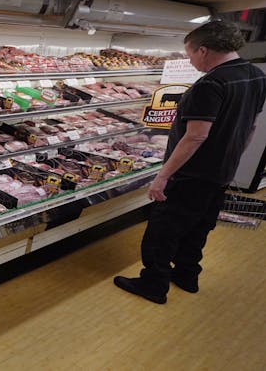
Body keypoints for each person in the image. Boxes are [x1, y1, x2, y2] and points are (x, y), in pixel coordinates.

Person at [114, 20, 266, 304]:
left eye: (190, 53)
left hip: (191, 174)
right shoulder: (255, 75)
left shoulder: (210, 83)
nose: (190, 60)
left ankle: (154, 285)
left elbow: (196, 136)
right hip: (221, 172)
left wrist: (164, 175)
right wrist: (231, 158)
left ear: (204, 50)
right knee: (199, 227)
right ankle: (187, 275)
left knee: (163, 231)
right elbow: (251, 127)